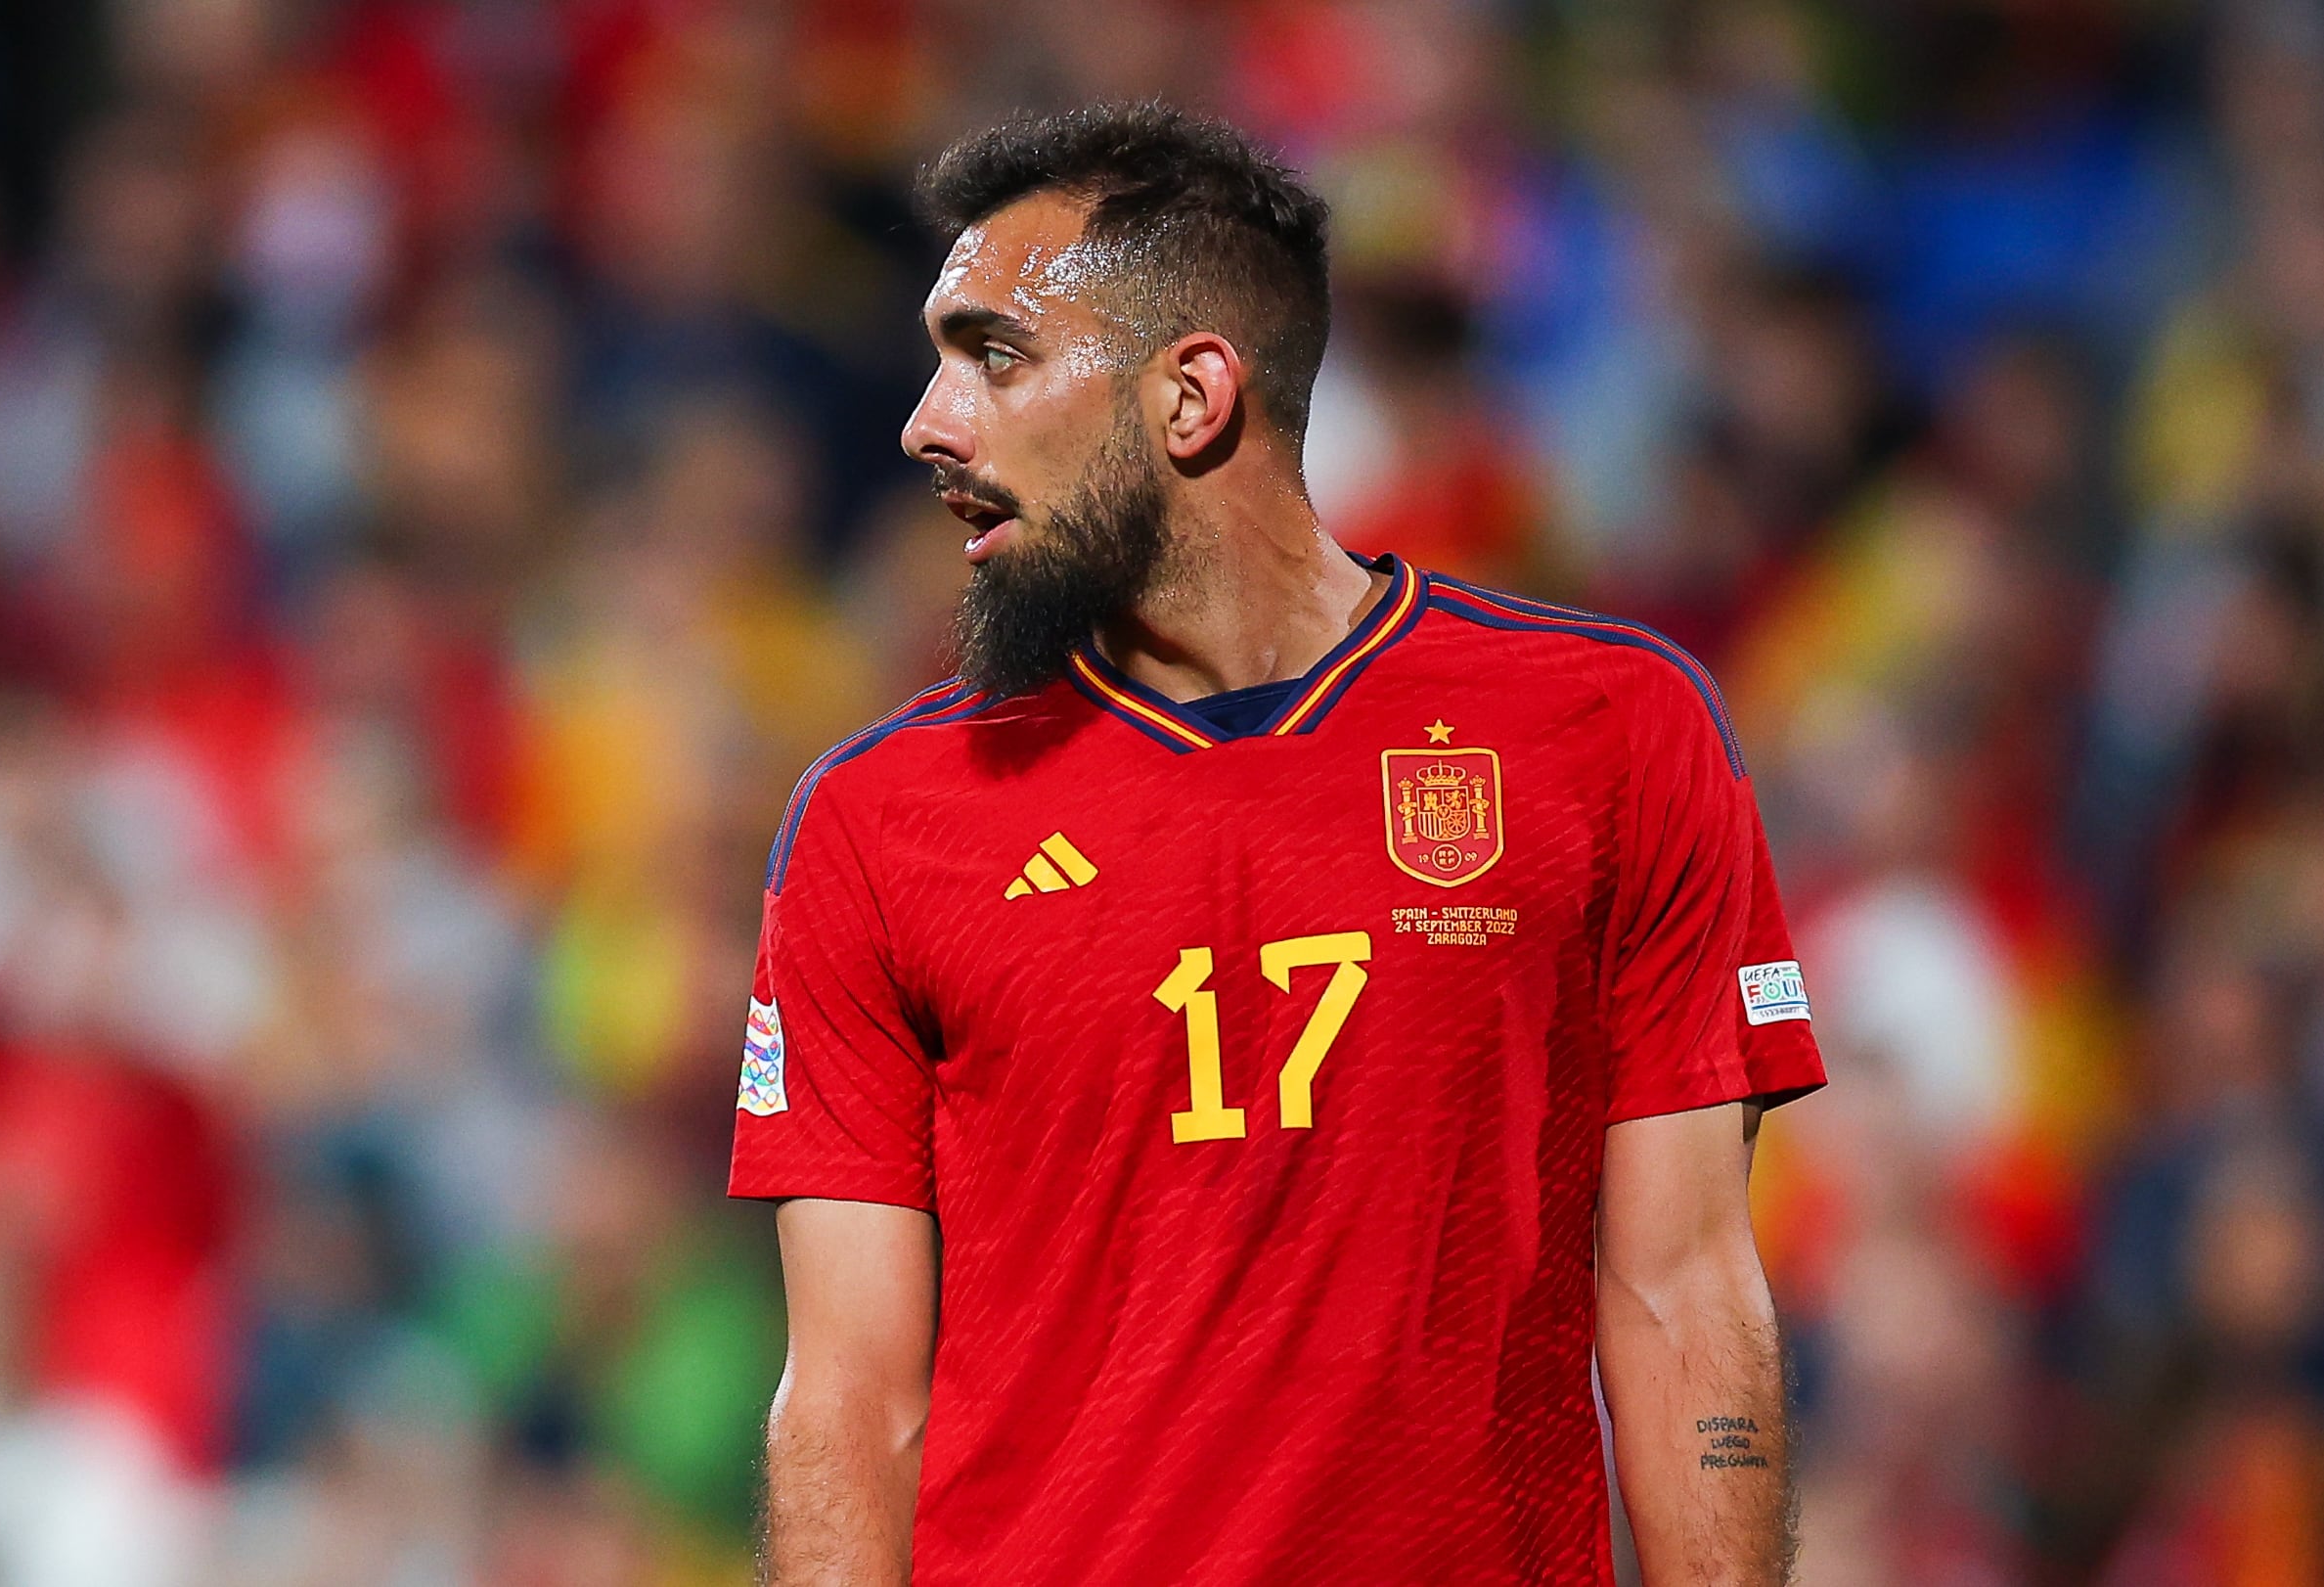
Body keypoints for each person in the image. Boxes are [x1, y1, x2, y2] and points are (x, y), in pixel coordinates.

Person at [727, 102, 1825, 1587]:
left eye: (992, 354)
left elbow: (1684, 1296)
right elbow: (849, 1406)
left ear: (1192, 400)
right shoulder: (879, 822)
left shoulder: (1611, 737)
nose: (926, 423)